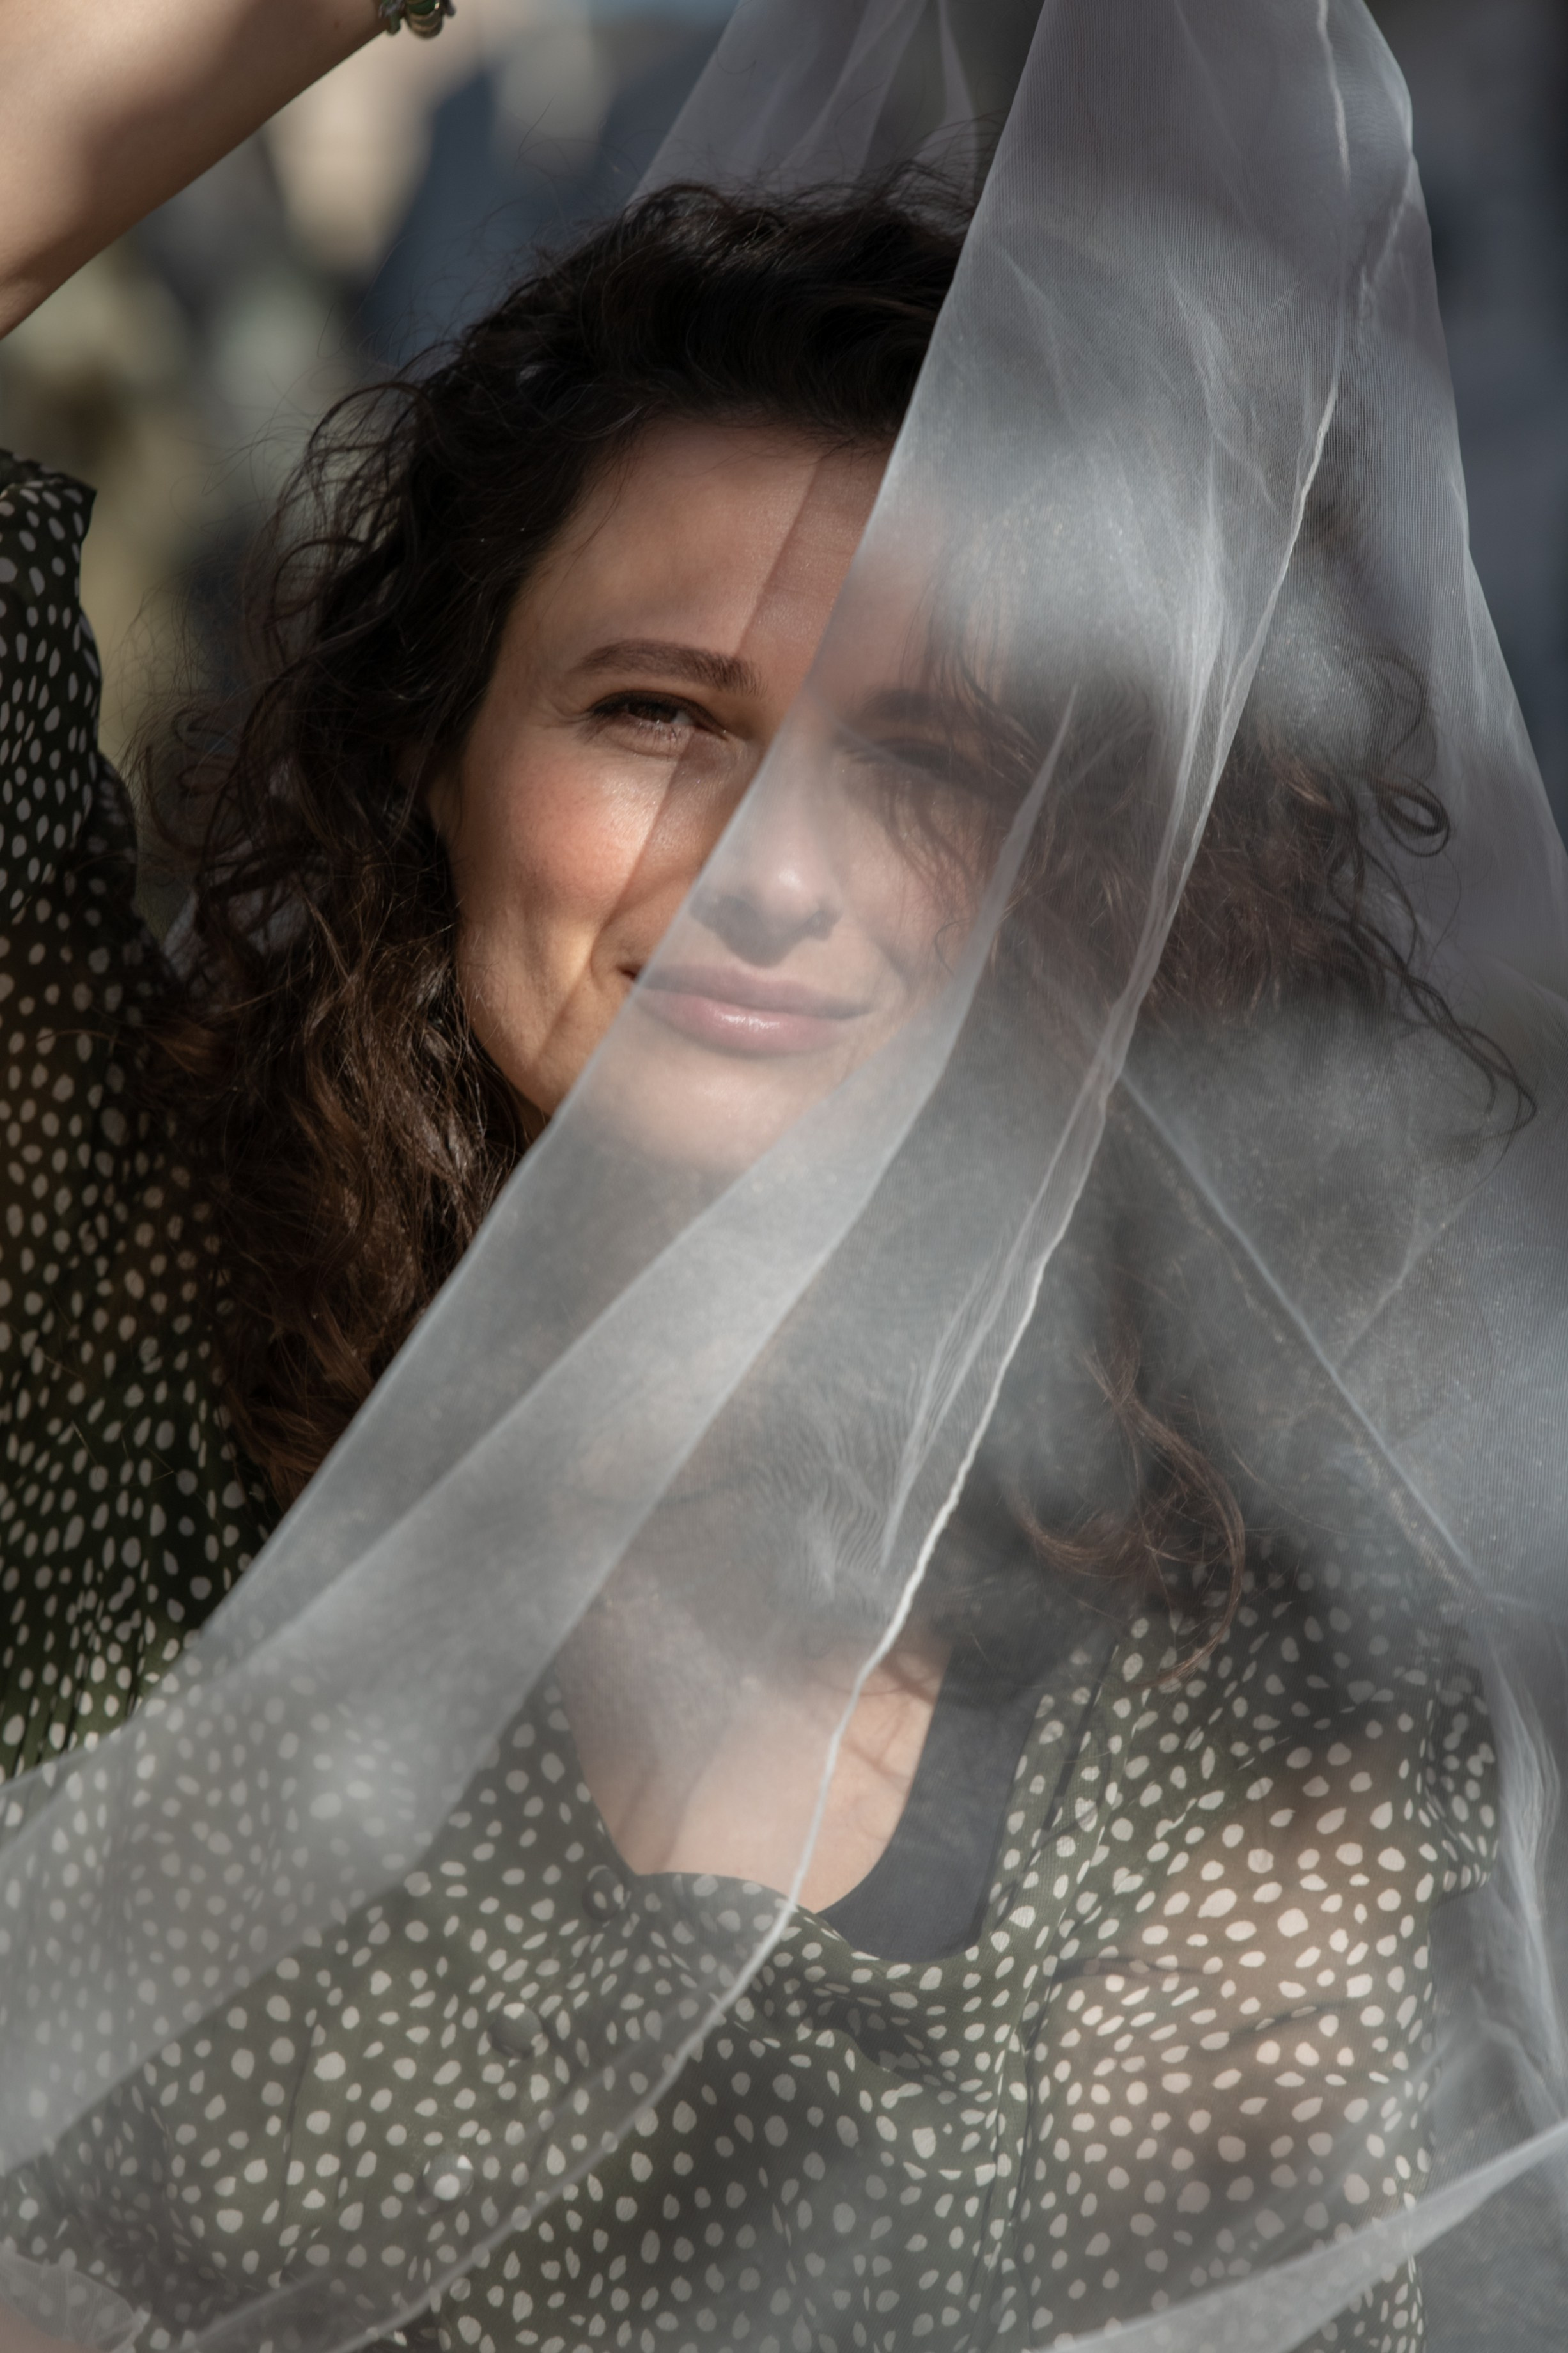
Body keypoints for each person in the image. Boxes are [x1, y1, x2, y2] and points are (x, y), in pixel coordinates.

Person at [0, 3, 1555, 2350]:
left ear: (1085, 890)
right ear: (436, 758)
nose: (771, 872)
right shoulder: (119, 1318)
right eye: (659, 717)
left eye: (926, 763)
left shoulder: (1256, 1698)